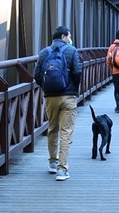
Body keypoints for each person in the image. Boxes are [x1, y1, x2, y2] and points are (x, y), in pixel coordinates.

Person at [34, 26, 83, 181]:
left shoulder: (44, 52)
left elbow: (37, 75)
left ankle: (53, 163)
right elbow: (77, 72)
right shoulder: (72, 51)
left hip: (50, 97)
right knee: (66, 131)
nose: (69, 38)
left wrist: (46, 89)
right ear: (63, 36)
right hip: (68, 96)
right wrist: (73, 89)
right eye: (69, 36)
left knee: (52, 128)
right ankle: (62, 169)